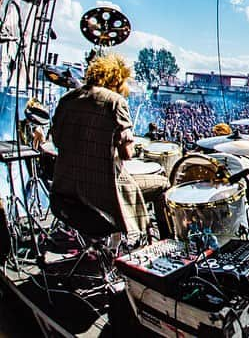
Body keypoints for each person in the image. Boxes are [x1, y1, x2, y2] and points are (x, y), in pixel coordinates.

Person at [51, 53, 172, 243]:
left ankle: (112, 245)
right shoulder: (115, 102)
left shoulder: (67, 99)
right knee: (163, 183)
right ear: (118, 79)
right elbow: (126, 154)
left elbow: (57, 141)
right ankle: (167, 247)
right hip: (100, 206)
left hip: (63, 199)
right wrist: (129, 144)